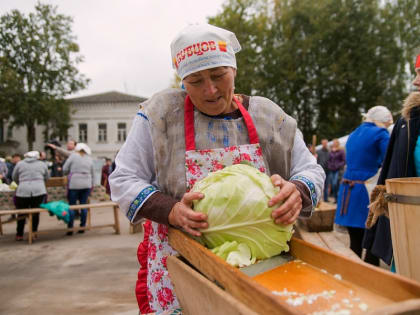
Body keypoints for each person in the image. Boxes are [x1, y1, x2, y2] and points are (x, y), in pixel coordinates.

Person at [109, 24, 325, 314]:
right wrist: (171, 210)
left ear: (234, 70)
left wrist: (298, 190)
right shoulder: (161, 116)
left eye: (218, 76)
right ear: (182, 79)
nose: (210, 90)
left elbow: (311, 170)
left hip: (258, 263)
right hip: (182, 264)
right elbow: (123, 178)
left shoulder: (269, 117)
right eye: (195, 81)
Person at [363, 54, 420, 268]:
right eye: (416, 73)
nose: (415, 82)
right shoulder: (408, 122)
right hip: (408, 230)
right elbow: (388, 169)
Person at [334, 106, 393, 259]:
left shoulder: (354, 134)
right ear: (383, 121)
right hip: (367, 191)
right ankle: (368, 279)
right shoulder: (380, 133)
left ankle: (353, 277)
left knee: (355, 242)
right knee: (372, 243)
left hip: (349, 190)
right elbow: (389, 160)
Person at [12, 151, 49, 241]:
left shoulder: (19, 164)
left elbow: (14, 177)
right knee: (35, 212)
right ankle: (34, 233)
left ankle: (19, 234)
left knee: (21, 213)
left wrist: (21, 182)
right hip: (39, 190)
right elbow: (47, 177)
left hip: (23, 190)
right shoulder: (42, 164)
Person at [62, 143, 94, 235]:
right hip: (87, 184)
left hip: (74, 184)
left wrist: (71, 172)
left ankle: (70, 227)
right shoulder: (89, 158)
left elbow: (65, 169)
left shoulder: (73, 156)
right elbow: (93, 173)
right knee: (83, 205)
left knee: (72, 206)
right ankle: (82, 227)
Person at [326, 139, 345, 203]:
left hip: (338, 170)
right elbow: (328, 160)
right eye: (333, 143)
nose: (334, 144)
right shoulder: (331, 151)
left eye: (335, 143)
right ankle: (335, 199)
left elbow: (344, 161)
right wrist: (329, 165)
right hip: (331, 170)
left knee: (335, 184)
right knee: (332, 184)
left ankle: (338, 198)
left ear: (337, 143)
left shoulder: (341, 151)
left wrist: (338, 165)